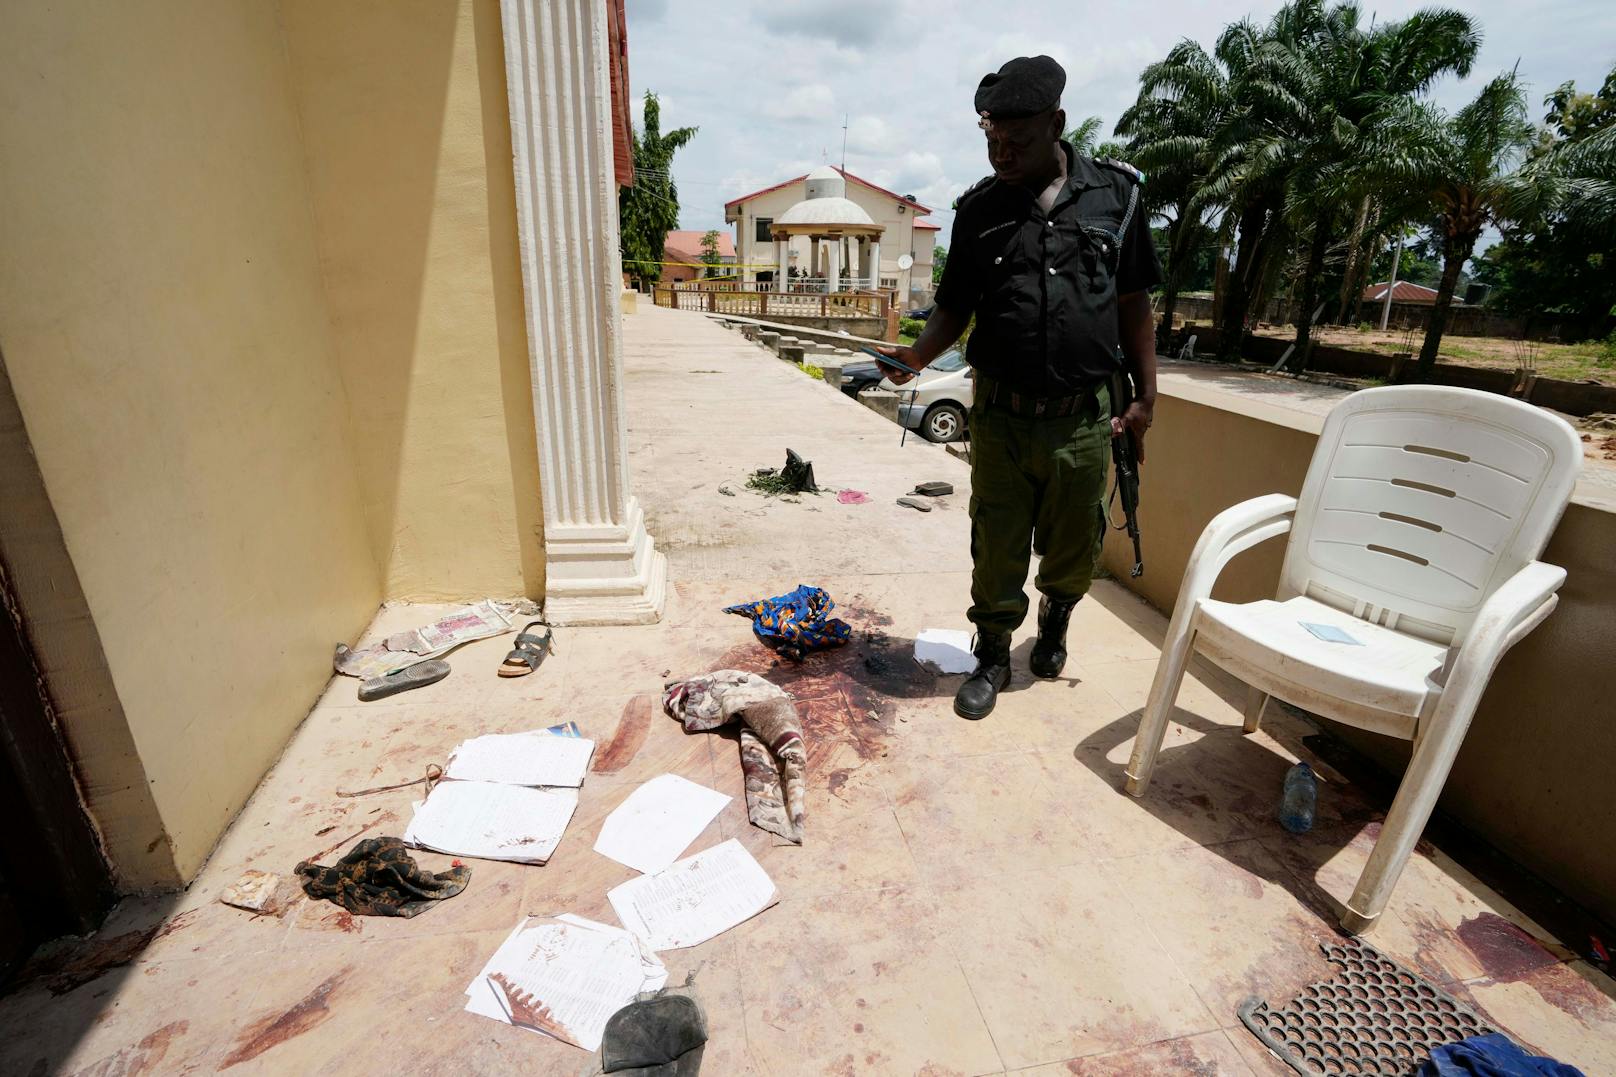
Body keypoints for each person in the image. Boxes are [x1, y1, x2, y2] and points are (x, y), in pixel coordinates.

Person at [877, 55, 1160, 721]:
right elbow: (954, 307)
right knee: (996, 539)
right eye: (991, 141)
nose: (1002, 154)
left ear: (1056, 125)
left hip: (1085, 419)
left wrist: (1147, 399)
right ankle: (994, 652)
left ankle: (1057, 617)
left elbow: (1134, 305)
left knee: (1074, 543)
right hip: (1002, 417)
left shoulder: (1117, 197)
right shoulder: (978, 211)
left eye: (1018, 141)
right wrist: (915, 355)